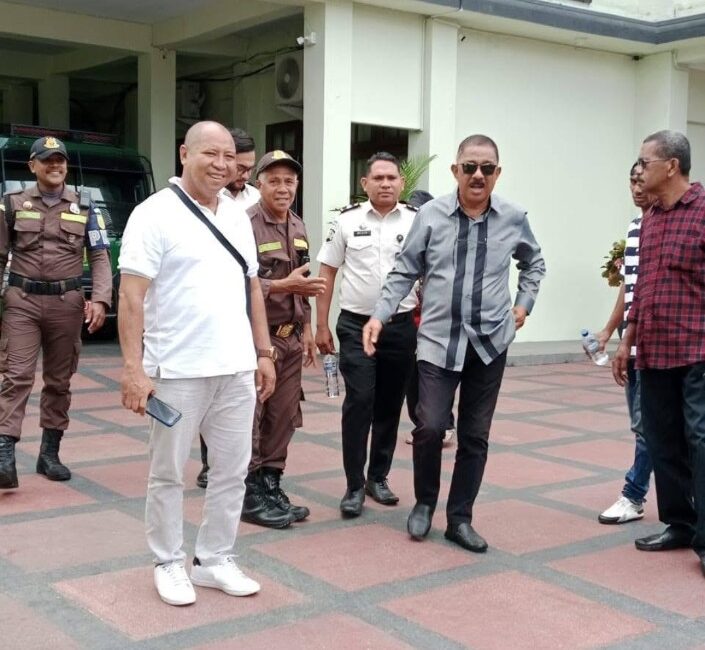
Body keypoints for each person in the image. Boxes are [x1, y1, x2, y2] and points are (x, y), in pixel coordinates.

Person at [363, 135, 545, 552]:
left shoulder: (514, 217)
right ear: (455, 171)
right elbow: (404, 270)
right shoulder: (430, 215)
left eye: (487, 168)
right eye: (470, 167)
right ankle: (425, 502)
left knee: (475, 435)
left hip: (489, 343)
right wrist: (379, 315)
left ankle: (460, 518)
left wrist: (524, 304)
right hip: (438, 341)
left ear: (497, 173)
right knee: (429, 427)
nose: (478, 175)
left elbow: (533, 262)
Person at [118, 121, 275, 606]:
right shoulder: (153, 214)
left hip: (235, 370)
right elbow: (131, 296)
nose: (222, 164)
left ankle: (214, 559)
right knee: (168, 473)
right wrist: (133, 369)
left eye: (229, 156)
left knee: (231, 470)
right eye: (211, 153)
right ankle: (168, 561)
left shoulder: (237, 214)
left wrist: (263, 352)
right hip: (176, 372)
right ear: (184, 154)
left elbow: (252, 285)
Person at [613, 130, 705, 577]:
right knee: (662, 439)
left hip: (697, 349)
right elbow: (643, 288)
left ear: (671, 166)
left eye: (644, 161)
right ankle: (680, 524)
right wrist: (626, 341)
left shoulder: (702, 212)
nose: (639, 169)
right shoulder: (650, 217)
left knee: (700, 440)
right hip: (653, 351)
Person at [0, 136, 111, 490]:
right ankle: (4, 454)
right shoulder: (12, 203)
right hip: (22, 302)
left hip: (67, 304)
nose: (55, 165)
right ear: (32, 165)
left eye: (60, 160)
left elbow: (100, 256)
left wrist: (101, 300)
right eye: (47, 160)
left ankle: (49, 453)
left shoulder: (85, 206)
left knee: (59, 381)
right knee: (16, 376)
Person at [316, 152, 418, 517]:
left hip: (400, 326)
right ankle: (354, 485)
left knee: (390, 404)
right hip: (355, 326)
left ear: (401, 183)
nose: (385, 184)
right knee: (359, 401)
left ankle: (378, 477)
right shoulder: (347, 221)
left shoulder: (417, 221)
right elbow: (327, 272)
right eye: (378, 178)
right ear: (365, 183)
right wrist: (321, 324)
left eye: (391, 178)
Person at [240, 150, 326, 528]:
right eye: (274, 180)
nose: (283, 188)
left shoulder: (298, 225)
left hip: (291, 340)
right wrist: (281, 285)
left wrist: (306, 327)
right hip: (258, 341)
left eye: (289, 181)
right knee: (253, 417)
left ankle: (271, 484)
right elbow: (238, 283)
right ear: (258, 183)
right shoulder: (244, 225)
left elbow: (302, 285)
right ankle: (248, 493)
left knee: (283, 417)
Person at [196, 127, 259, 489]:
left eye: (248, 167)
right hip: (208, 313)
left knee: (240, 396)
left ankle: (240, 466)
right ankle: (210, 462)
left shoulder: (253, 200)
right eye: (240, 165)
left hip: (246, 305)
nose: (243, 173)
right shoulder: (200, 199)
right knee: (209, 389)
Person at [595, 165, 653, 524]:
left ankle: (633, 494)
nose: (637, 186)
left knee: (648, 425)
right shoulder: (634, 229)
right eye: (632, 179)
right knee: (642, 424)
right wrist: (608, 331)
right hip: (630, 339)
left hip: (655, 340)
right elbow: (629, 289)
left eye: (642, 178)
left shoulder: (665, 227)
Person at [403, 189, 455, 446]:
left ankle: (445, 425)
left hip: (435, 326)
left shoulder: (442, 244)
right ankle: (421, 426)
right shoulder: (408, 244)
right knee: (413, 381)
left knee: (437, 379)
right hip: (409, 325)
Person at [224, 128, 260, 208]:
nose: (246, 176)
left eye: (250, 169)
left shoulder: (256, 197)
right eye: (240, 168)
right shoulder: (205, 197)